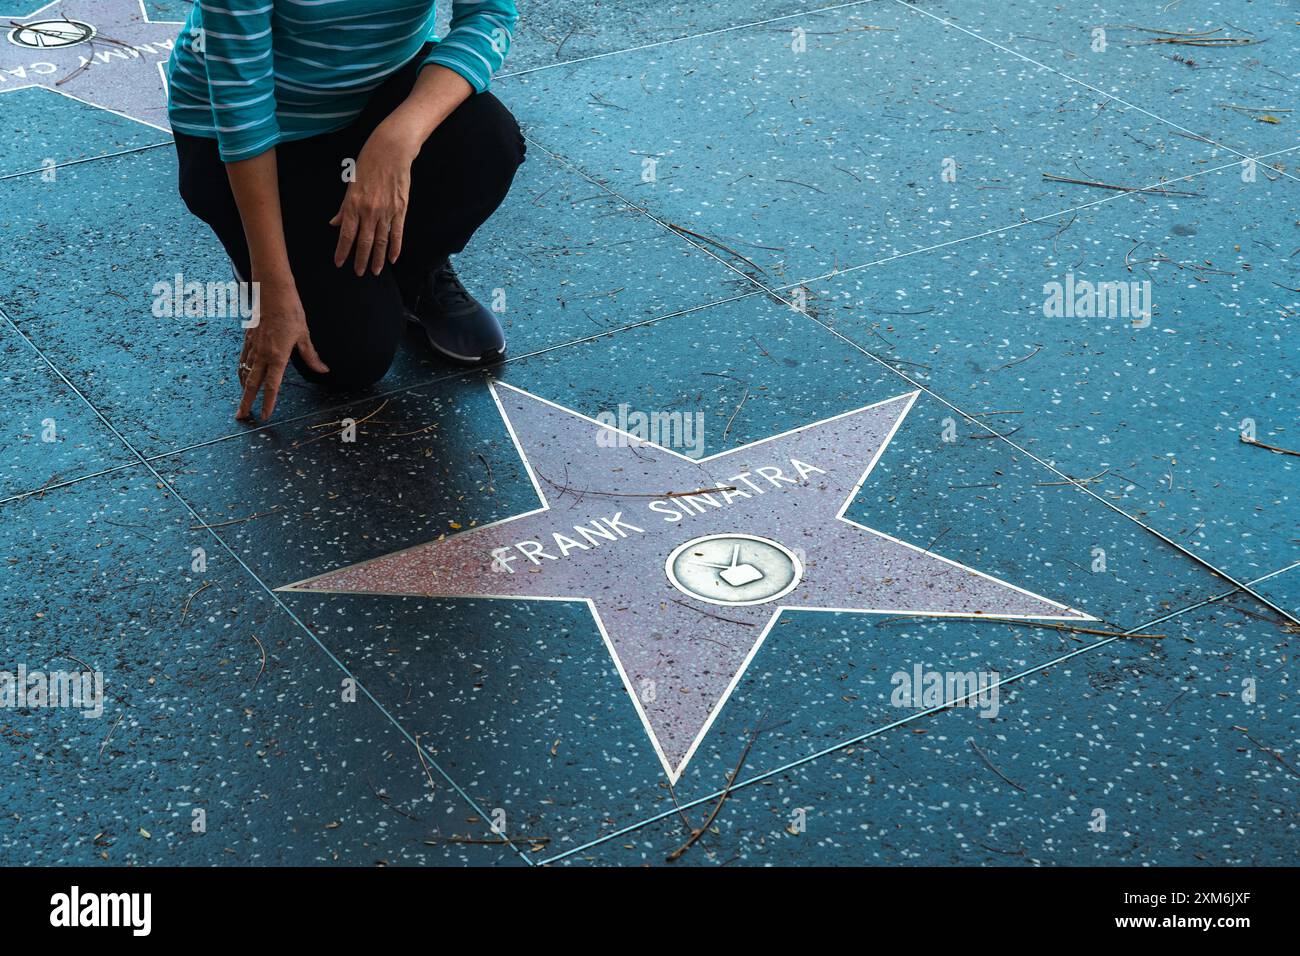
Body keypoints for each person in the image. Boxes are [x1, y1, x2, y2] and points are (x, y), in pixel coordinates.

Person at [166, 0, 525, 421]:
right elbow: (242, 105)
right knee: (347, 362)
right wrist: (273, 284)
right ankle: (260, 254)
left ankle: (414, 274)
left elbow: (489, 15)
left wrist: (397, 137)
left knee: (487, 143)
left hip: (377, 95)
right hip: (253, 138)